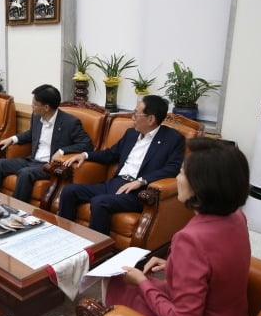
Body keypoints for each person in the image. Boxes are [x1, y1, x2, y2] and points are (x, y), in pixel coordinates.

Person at [105, 138, 251, 316]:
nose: (176, 179)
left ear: (200, 185)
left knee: (118, 283)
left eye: (182, 173)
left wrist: (141, 282)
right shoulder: (237, 217)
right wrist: (172, 265)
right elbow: (216, 265)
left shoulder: (190, 240)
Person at [58, 95, 184, 234]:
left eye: (136, 114)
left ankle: (99, 250)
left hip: (137, 193)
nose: (132, 118)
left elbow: (172, 169)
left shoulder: (173, 139)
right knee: (69, 191)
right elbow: (111, 154)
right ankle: (64, 236)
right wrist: (85, 155)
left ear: (151, 119)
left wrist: (141, 181)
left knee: (100, 202)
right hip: (115, 184)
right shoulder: (131, 134)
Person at [0, 84, 92, 202]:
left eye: (35, 104)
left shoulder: (70, 122)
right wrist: (13, 139)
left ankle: (16, 211)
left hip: (48, 165)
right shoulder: (36, 117)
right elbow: (31, 134)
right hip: (31, 160)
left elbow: (87, 144)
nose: (32, 106)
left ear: (46, 107)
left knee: (25, 173)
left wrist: (62, 151)